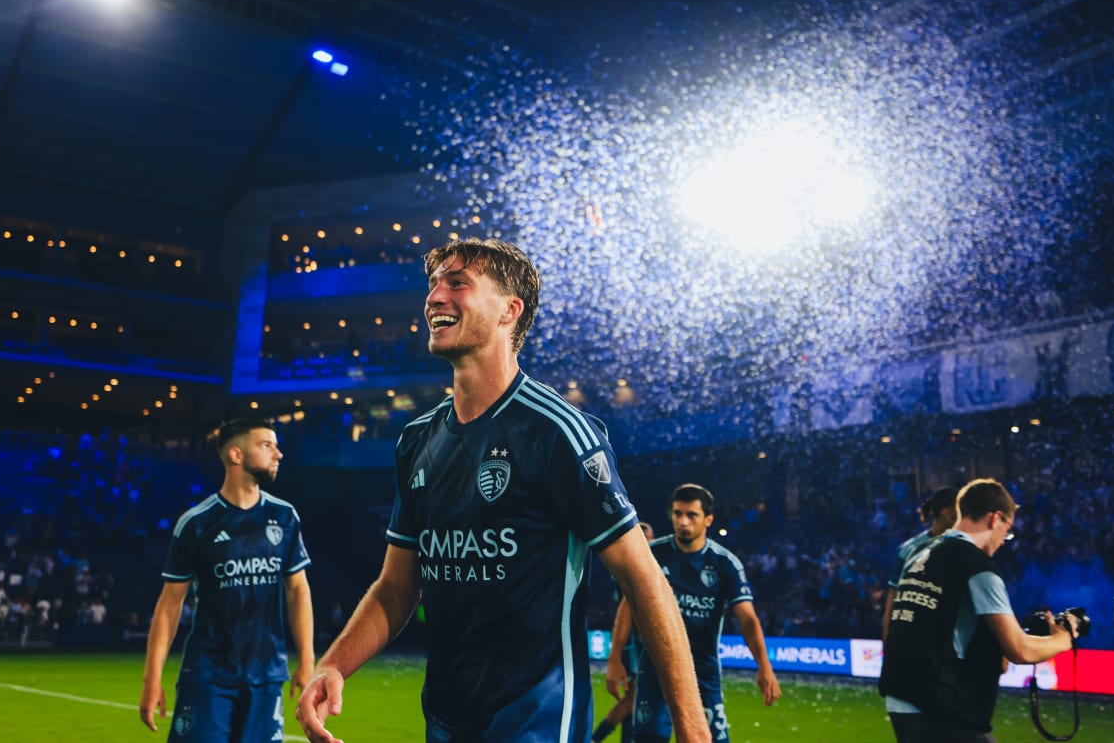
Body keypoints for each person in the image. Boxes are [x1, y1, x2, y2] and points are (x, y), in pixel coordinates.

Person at [296, 237, 709, 743]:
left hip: (536, 720)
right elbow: (397, 587)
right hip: (445, 719)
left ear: (509, 311)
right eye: (433, 285)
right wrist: (333, 665)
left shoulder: (558, 432)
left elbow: (645, 582)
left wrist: (693, 730)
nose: (434, 298)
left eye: (457, 283)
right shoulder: (416, 440)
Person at [140, 418, 314, 740]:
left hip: (266, 675)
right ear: (236, 455)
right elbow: (170, 604)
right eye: (267, 445)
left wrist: (306, 658)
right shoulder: (196, 523)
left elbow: (298, 590)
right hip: (208, 674)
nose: (279, 454)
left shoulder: (285, 517)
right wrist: (152, 678)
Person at [879, 477, 1079, 742]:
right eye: (1007, 532)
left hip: (900, 698)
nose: (1004, 541)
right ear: (995, 518)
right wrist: (1064, 637)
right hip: (937, 706)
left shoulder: (919, 554)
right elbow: (1020, 650)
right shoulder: (976, 565)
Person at [614, 483, 781, 743]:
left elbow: (747, 619)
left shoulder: (725, 564)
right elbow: (628, 605)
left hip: (702, 673)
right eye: (678, 514)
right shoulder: (653, 554)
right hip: (655, 668)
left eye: (691, 515)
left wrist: (764, 666)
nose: (682, 522)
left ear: (708, 520)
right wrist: (615, 658)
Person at [594, 522, 655, 743]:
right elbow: (630, 606)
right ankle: (595, 738)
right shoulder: (629, 566)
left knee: (638, 697)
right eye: (645, 539)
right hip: (630, 640)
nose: (650, 544)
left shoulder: (645, 564)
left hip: (640, 639)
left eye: (650, 539)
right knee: (634, 694)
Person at [883, 486, 959, 643]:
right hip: (915, 638)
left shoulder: (964, 548)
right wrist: (887, 645)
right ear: (947, 513)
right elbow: (891, 604)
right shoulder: (908, 550)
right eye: (961, 509)